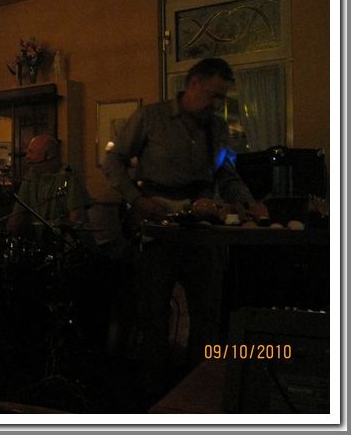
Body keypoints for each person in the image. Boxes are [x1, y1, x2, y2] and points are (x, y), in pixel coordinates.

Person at [102, 57, 268, 406]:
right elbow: (113, 160)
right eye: (212, 95)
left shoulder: (217, 128)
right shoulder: (150, 117)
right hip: (158, 227)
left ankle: (198, 396)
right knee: (153, 316)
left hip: (202, 229)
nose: (217, 104)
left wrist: (249, 203)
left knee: (208, 316)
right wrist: (136, 199)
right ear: (192, 84)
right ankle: (154, 398)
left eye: (222, 97)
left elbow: (226, 174)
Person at [6, 134, 93, 242]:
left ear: (48, 155)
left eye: (31, 152)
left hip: (63, 243)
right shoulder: (32, 175)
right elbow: (17, 216)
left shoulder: (68, 175)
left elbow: (77, 218)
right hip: (39, 243)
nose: (27, 157)